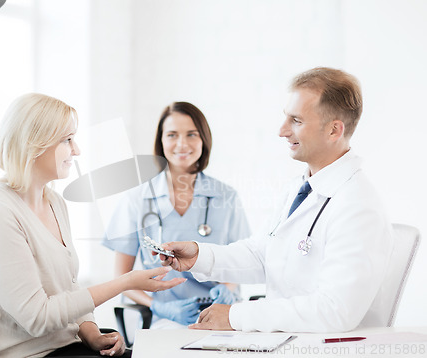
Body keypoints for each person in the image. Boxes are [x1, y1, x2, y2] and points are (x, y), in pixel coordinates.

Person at [158, 67, 394, 333]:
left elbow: (334, 312)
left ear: (333, 130)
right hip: (288, 342)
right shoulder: (301, 189)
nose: (282, 130)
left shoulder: (357, 205)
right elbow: (263, 255)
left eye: (296, 120)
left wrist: (235, 317)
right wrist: (200, 256)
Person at [0, 93, 185, 357]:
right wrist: (125, 282)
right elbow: (38, 318)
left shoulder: (53, 201)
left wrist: (90, 332)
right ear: (35, 144)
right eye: (67, 140)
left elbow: (69, 287)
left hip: (65, 345)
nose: (76, 150)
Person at [103, 102, 251, 328]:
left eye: (191, 134)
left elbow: (244, 261)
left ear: (203, 139)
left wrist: (228, 289)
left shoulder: (226, 197)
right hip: (166, 318)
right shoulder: (136, 200)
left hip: (221, 313)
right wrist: (157, 306)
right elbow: (120, 278)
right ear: (161, 142)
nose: (182, 144)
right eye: (172, 135)